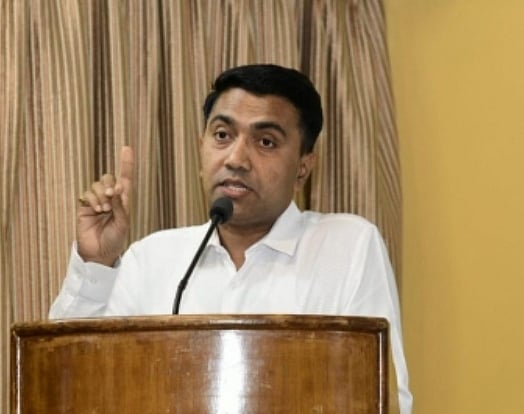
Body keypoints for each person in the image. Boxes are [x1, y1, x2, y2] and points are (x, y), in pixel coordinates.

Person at [49, 64, 412, 412]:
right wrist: (96, 263)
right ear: (201, 148)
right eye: (222, 135)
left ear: (303, 168)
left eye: (266, 141)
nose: (236, 159)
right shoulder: (151, 259)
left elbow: (382, 399)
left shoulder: (345, 246)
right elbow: (68, 381)